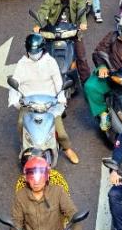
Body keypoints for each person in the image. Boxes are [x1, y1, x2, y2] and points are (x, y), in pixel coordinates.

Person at [11, 34, 80, 164]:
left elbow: (59, 83)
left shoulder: (50, 62)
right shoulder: (22, 64)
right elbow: (15, 83)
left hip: (49, 104)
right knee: (21, 123)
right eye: (31, 52)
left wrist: (60, 99)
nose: (34, 54)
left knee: (60, 131)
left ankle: (67, 149)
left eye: (36, 51)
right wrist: (16, 101)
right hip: (29, 104)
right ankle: (25, 147)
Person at [8, 157, 84, 230]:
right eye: (31, 177)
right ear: (26, 178)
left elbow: (73, 213)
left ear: (46, 176)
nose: (36, 182)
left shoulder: (58, 192)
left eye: (39, 177)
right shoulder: (20, 196)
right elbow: (16, 220)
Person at [34, 0, 92, 83]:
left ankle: (86, 83)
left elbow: (81, 9)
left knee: (81, 56)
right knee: (40, 54)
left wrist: (83, 23)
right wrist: (37, 24)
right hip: (53, 32)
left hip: (72, 31)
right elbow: (43, 10)